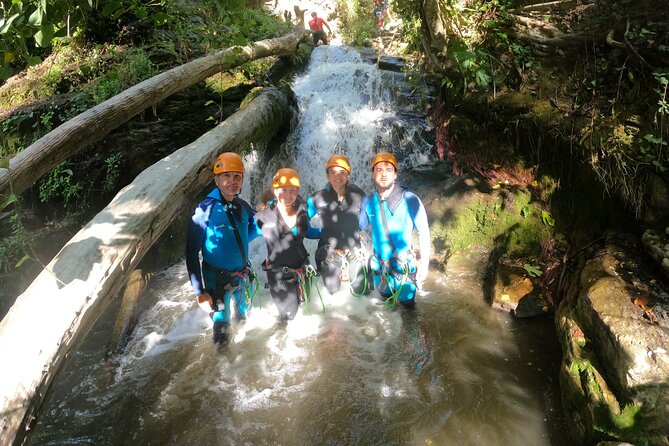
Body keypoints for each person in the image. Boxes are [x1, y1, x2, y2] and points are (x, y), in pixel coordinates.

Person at [186, 152, 261, 346]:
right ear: (216, 180)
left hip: (241, 276)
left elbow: (258, 226)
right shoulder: (205, 209)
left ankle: (244, 360)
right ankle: (222, 370)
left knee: (243, 315)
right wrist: (199, 292)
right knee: (222, 329)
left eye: (237, 176)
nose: (232, 181)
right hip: (216, 280)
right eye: (226, 176)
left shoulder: (242, 206)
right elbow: (191, 252)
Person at [359, 151, 431, 309]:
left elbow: (423, 231)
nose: (384, 174)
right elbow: (359, 227)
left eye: (389, 170)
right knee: (387, 307)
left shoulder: (409, 199)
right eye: (379, 170)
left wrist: (424, 264)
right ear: (373, 175)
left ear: (395, 175)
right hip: (380, 267)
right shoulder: (368, 201)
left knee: (409, 309)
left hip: (403, 267)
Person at [255, 168, 320, 322]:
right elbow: (244, 236)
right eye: (284, 190)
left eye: (293, 190)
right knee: (290, 317)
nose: (289, 195)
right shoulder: (262, 217)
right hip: (279, 277)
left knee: (304, 307)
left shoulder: (302, 212)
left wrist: (329, 232)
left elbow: (309, 232)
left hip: (302, 271)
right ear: (275, 191)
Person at [307, 154, 369, 295]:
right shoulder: (317, 198)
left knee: (361, 292)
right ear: (327, 175)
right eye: (333, 172)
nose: (337, 177)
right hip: (329, 250)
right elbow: (302, 221)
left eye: (342, 172)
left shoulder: (358, 194)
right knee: (333, 290)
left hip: (353, 248)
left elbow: (365, 219)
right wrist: (320, 233)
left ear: (348, 174)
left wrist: (353, 230)